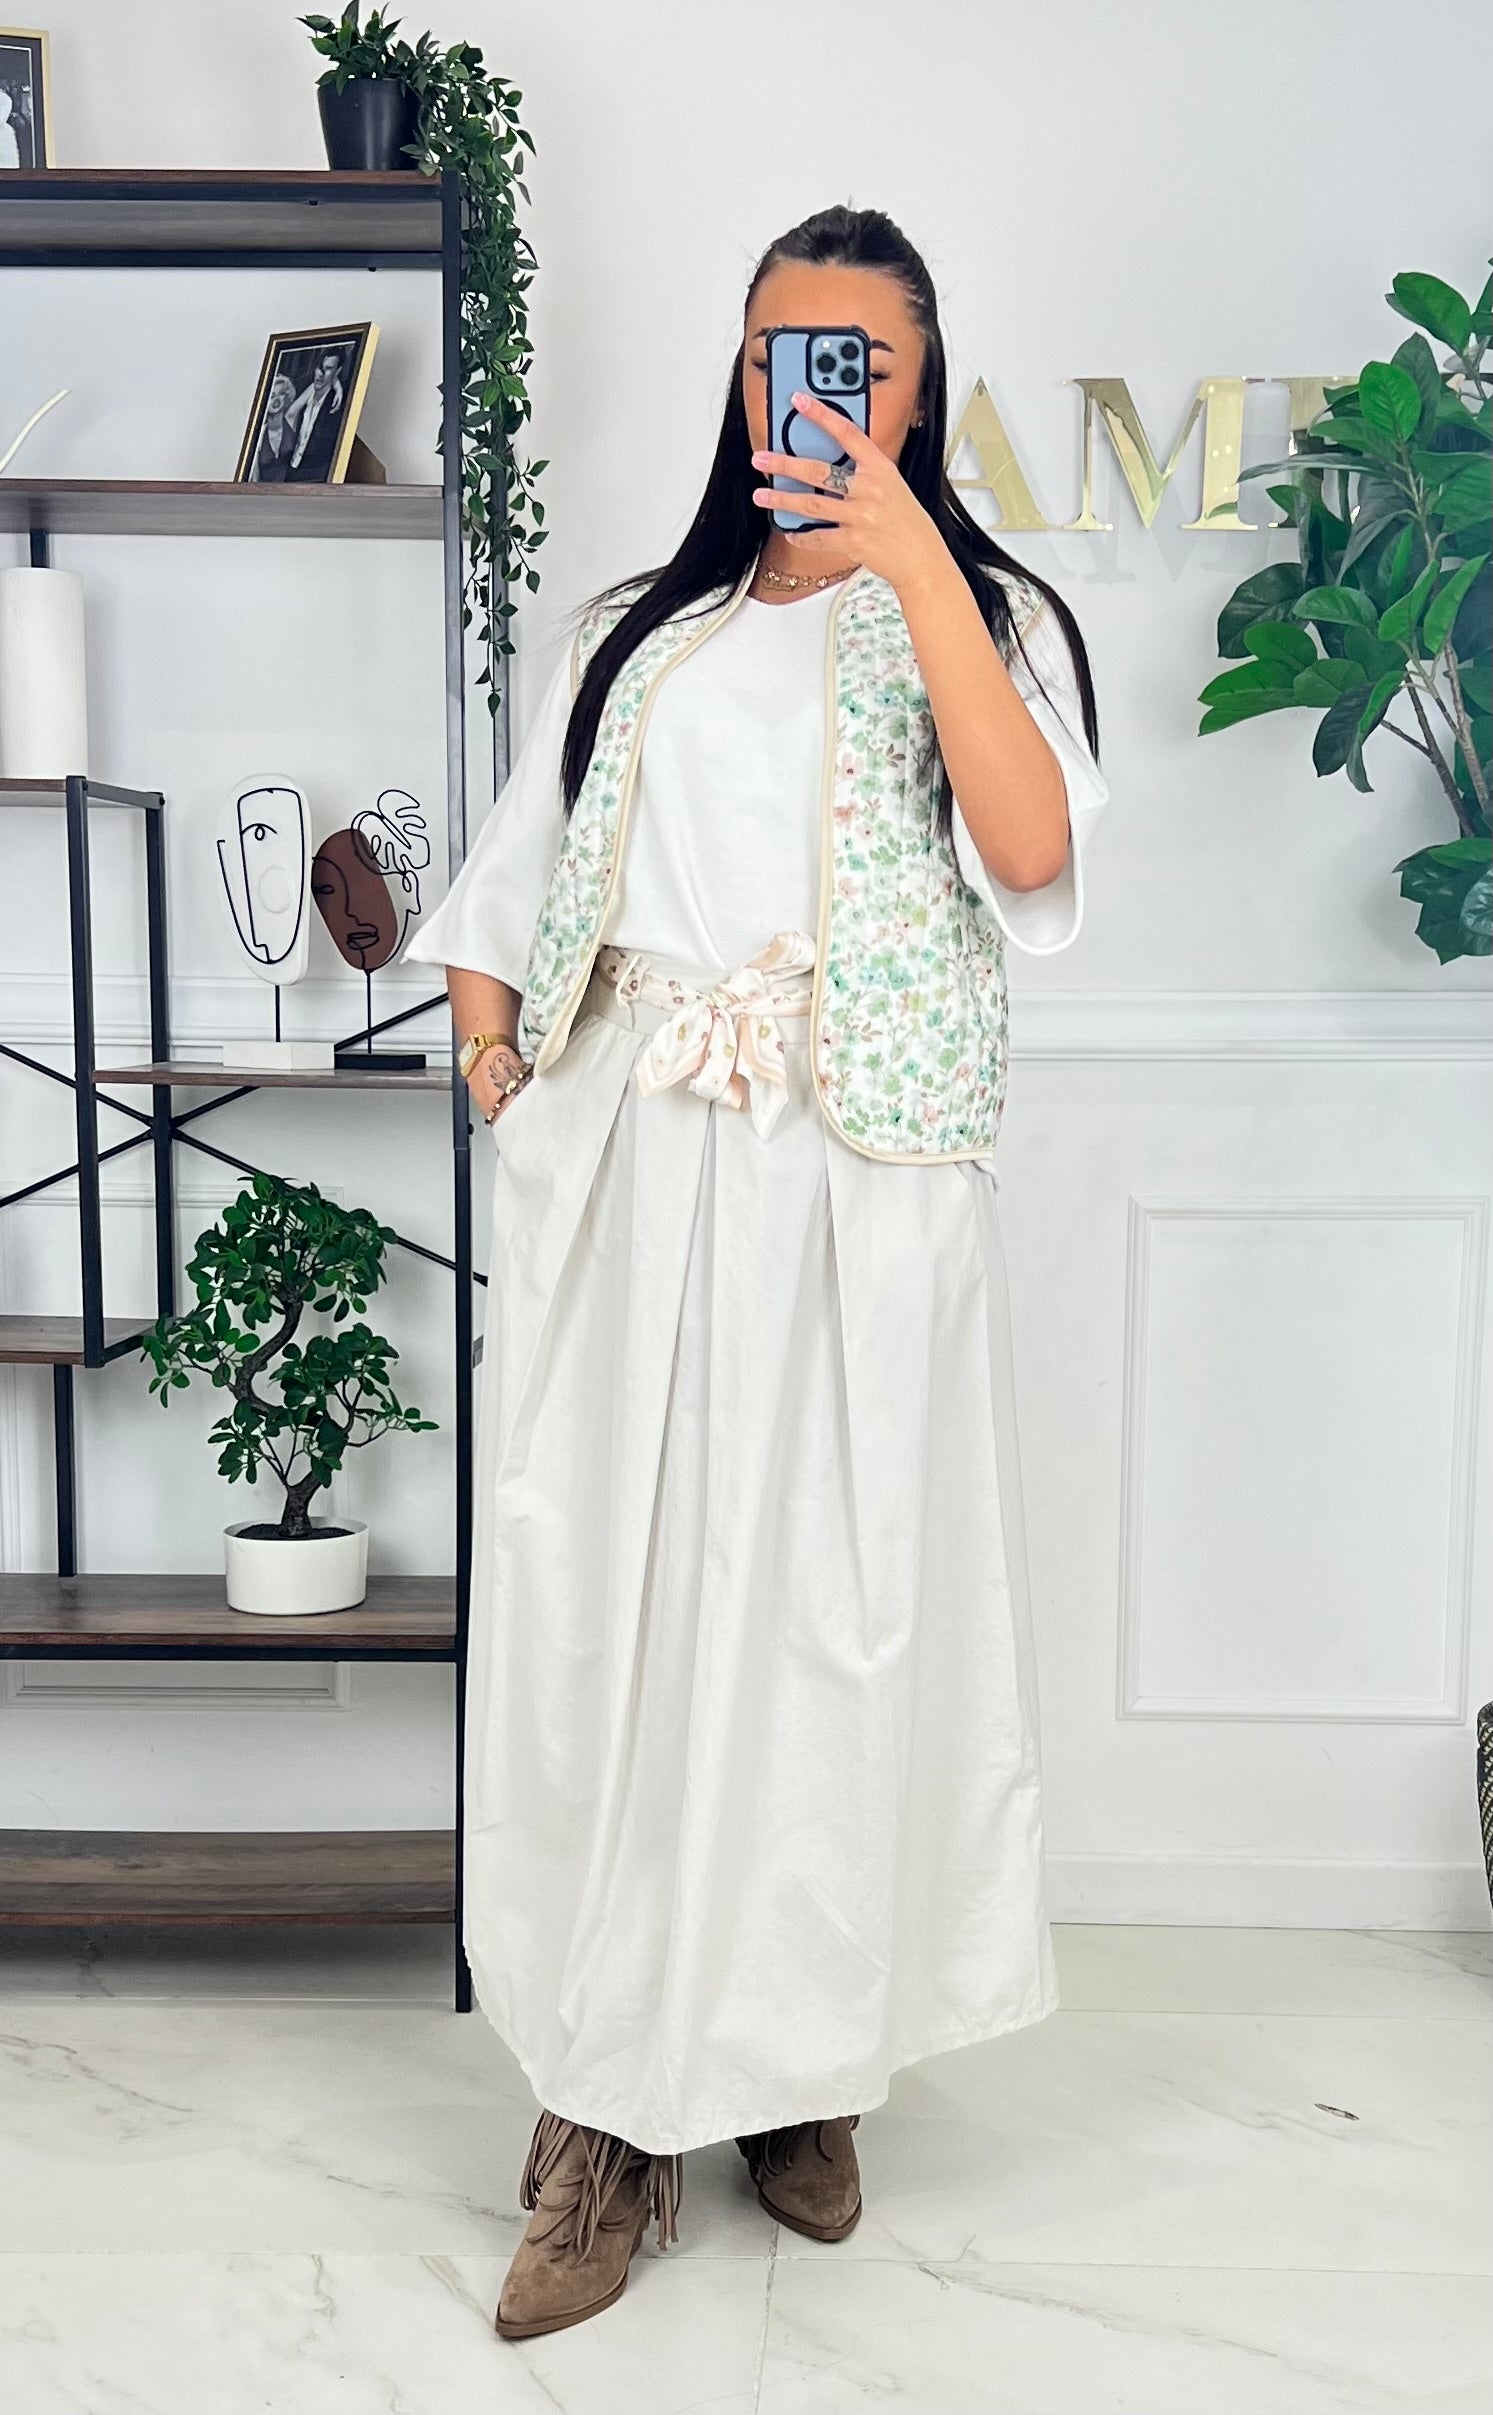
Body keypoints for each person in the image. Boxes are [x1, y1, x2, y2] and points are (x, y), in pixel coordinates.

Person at [403, 202, 1108, 2343]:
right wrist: (502, 1075)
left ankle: (798, 2063)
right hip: (634, 1175)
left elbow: (1027, 851)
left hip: (855, 1180)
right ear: (739, 380)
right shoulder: (641, 629)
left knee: (827, 1633)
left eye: (853, 360)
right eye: (775, 354)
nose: (808, 391)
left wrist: (911, 561)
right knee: (606, 1629)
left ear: (916, 383)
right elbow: (509, 884)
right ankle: (602, 2108)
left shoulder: (987, 617)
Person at [283, 347, 347, 481]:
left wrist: (336, 385)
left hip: (313, 478)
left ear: (338, 371)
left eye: (328, 369)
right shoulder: (303, 390)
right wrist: (336, 383)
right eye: (319, 367)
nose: (321, 374)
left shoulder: (336, 406)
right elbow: (289, 414)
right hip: (289, 471)